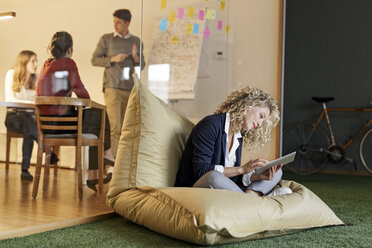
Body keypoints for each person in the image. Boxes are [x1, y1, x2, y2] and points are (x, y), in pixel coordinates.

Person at [175, 86, 292, 197]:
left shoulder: (238, 135)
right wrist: (241, 169)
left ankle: (251, 198)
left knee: (277, 172)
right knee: (213, 176)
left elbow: (231, 177)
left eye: (263, 121)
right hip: (195, 187)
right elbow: (201, 171)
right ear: (248, 105)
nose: (260, 124)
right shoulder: (210, 125)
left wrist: (253, 177)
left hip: (224, 188)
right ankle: (256, 201)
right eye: (261, 116)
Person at [36, 31, 115, 192]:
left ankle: (100, 165)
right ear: (70, 50)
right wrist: (88, 101)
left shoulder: (46, 64)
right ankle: (104, 158)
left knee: (96, 118)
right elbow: (82, 94)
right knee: (99, 112)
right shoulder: (68, 63)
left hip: (46, 126)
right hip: (61, 126)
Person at [91, 8, 145, 158]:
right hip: (112, 87)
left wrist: (135, 57)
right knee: (115, 127)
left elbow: (143, 64)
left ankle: (121, 160)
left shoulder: (136, 41)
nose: (115, 25)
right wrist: (112, 59)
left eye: (119, 23)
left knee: (126, 128)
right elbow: (94, 60)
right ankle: (114, 161)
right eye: (114, 22)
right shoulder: (106, 39)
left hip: (129, 88)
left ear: (127, 23)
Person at [4, 50, 39, 181]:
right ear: (24, 62)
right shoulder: (11, 74)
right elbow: (10, 100)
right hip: (13, 117)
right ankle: (46, 148)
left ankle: (25, 170)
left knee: (29, 127)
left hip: (28, 119)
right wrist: (30, 103)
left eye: (36, 61)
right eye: (33, 61)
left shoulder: (36, 79)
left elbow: (39, 100)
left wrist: (28, 103)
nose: (36, 64)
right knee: (29, 123)